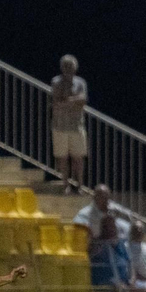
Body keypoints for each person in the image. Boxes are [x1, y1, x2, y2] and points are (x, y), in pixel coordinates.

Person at [50, 54, 88, 192]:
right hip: (60, 126)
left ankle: (79, 185)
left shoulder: (80, 82)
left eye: (70, 66)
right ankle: (65, 184)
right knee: (63, 157)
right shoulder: (56, 82)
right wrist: (73, 101)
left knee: (78, 157)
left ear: (75, 68)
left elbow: (83, 100)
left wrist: (68, 101)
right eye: (65, 66)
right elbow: (57, 102)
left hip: (76, 126)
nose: (68, 69)